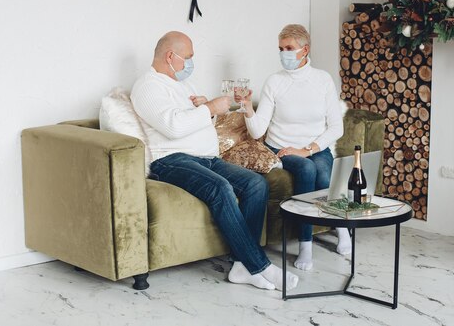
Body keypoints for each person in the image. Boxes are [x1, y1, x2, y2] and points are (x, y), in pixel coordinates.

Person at [131, 31, 298, 291]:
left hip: (207, 158)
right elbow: (173, 127)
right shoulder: (148, 86)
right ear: (170, 56)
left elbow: (197, 121)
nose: (190, 63)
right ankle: (258, 265)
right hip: (171, 160)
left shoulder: (184, 84)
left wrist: (204, 107)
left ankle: (241, 267)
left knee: (256, 184)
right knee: (220, 188)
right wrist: (209, 108)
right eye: (188, 58)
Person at [242, 24, 348, 271]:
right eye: (280, 49)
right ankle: (305, 245)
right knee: (307, 171)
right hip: (280, 148)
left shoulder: (322, 80)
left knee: (323, 173)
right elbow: (257, 131)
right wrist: (247, 107)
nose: (284, 54)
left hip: (314, 147)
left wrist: (309, 149)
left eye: (289, 48)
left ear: (305, 50)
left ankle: (343, 229)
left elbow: (336, 128)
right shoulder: (274, 82)